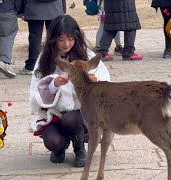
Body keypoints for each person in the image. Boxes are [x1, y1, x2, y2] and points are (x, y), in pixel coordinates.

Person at [28, 15, 110, 167]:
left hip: (81, 115)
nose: (66, 44)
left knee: (71, 119)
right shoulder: (44, 59)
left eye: (71, 39)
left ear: (77, 38)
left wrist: (94, 82)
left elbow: (105, 81)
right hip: (55, 115)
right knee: (53, 142)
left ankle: (79, 147)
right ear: (53, 39)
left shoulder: (86, 56)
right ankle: (62, 143)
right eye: (61, 39)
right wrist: (54, 84)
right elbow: (35, 93)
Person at [19, 0, 65, 75]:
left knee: (35, 38)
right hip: (55, 8)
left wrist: (21, 10)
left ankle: (31, 65)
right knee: (54, 37)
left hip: (33, 8)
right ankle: (55, 63)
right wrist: (63, 10)